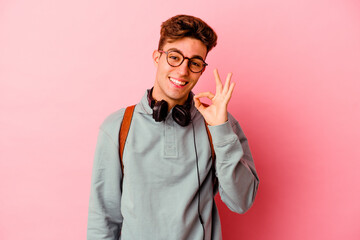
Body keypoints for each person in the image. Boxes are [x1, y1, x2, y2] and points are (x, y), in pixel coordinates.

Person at [87, 14, 259, 240]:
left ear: (202, 69)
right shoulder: (117, 127)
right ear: (157, 57)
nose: (182, 71)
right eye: (174, 57)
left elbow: (241, 202)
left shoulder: (219, 124)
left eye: (195, 63)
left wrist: (221, 129)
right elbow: (103, 219)